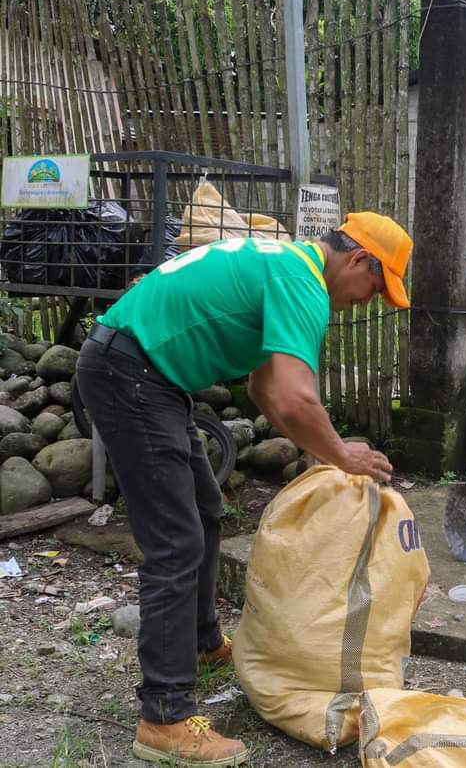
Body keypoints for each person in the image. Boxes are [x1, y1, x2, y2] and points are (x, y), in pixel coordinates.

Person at [75, 212, 412, 767]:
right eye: (374, 289)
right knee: (175, 542)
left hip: (145, 374)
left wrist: (324, 452)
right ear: (358, 260)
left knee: (205, 510)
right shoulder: (303, 283)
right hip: (132, 375)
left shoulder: (287, 267)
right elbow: (296, 399)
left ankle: (202, 643)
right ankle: (164, 717)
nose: (363, 302)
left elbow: (265, 389)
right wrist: (341, 455)